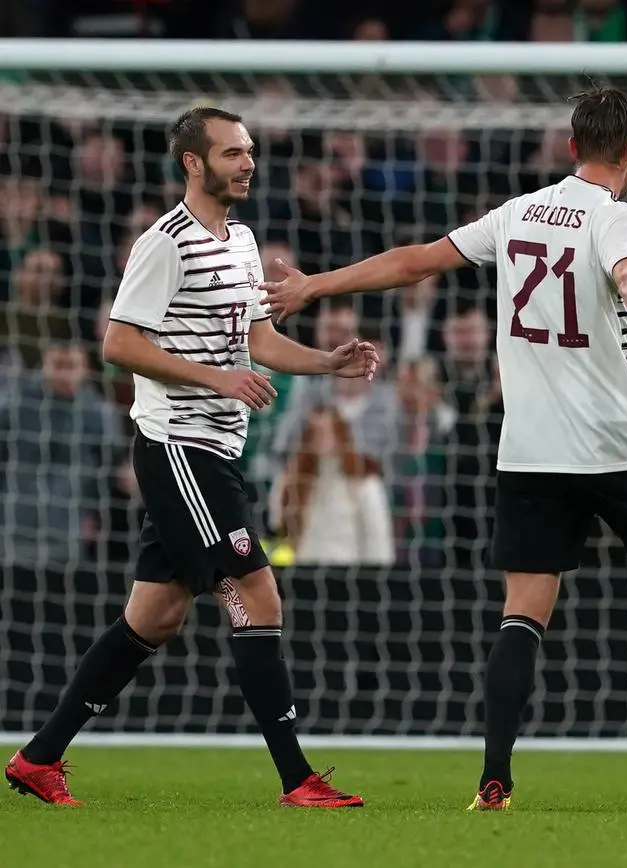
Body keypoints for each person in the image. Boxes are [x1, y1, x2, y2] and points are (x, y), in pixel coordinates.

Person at [260, 85, 627, 812]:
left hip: (530, 451)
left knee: (523, 614)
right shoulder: (619, 218)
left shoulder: (518, 213)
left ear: (571, 147)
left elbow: (416, 261)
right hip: (613, 446)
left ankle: (494, 779)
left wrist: (317, 283)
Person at [5, 107, 375, 808]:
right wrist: (215, 378)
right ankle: (297, 779)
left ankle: (38, 757)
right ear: (193, 164)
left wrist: (328, 363)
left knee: (156, 615)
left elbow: (258, 342)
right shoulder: (163, 243)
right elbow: (118, 344)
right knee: (256, 593)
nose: (247, 163)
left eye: (251, 151)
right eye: (232, 152)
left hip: (218, 449)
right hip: (179, 446)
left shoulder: (241, 239)